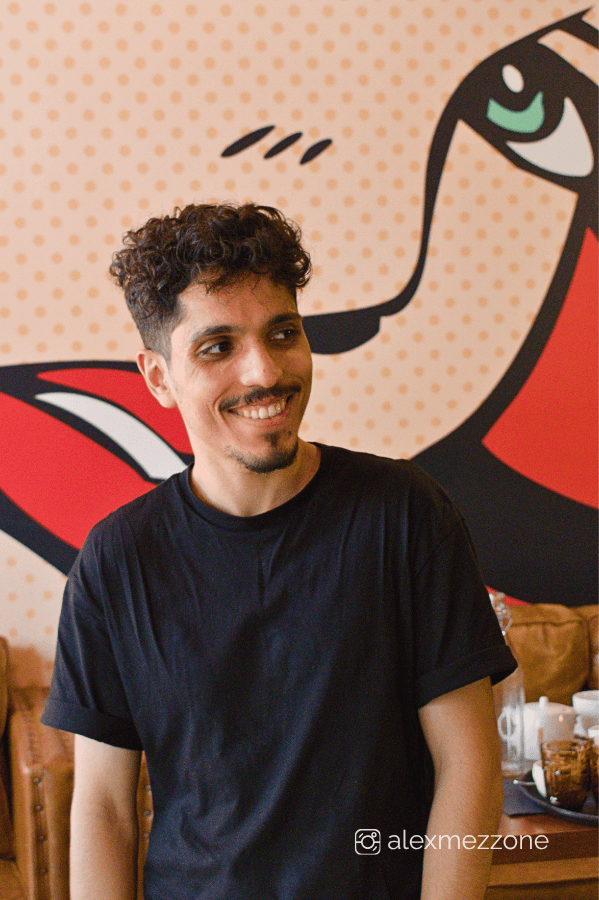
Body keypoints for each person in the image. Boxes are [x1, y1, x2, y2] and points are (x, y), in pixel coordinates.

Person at [42, 202, 516, 900]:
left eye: (282, 333)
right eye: (217, 347)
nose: (264, 371)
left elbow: (468, 763)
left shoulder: (404, 513)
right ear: (159, 377)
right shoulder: (117, 561)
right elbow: (105, 809)